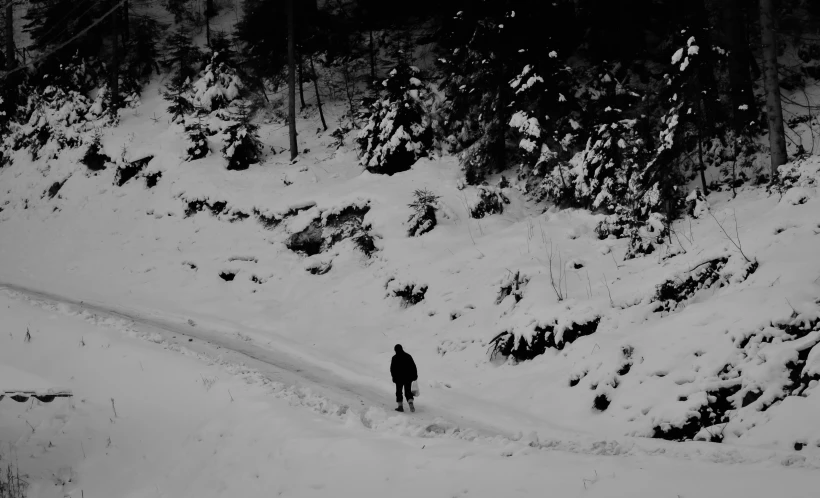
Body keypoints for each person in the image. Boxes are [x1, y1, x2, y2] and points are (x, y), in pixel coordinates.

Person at [390, 344, 417, 412]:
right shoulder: (408, 356)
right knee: (408, 391)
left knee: (399, 392)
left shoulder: (394, 358)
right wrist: (415, 375)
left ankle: (400, 406)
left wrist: (393, 377)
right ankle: (410, 403)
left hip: (398, 378)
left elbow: (392, 369)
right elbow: (413, 366)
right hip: (408, 378)